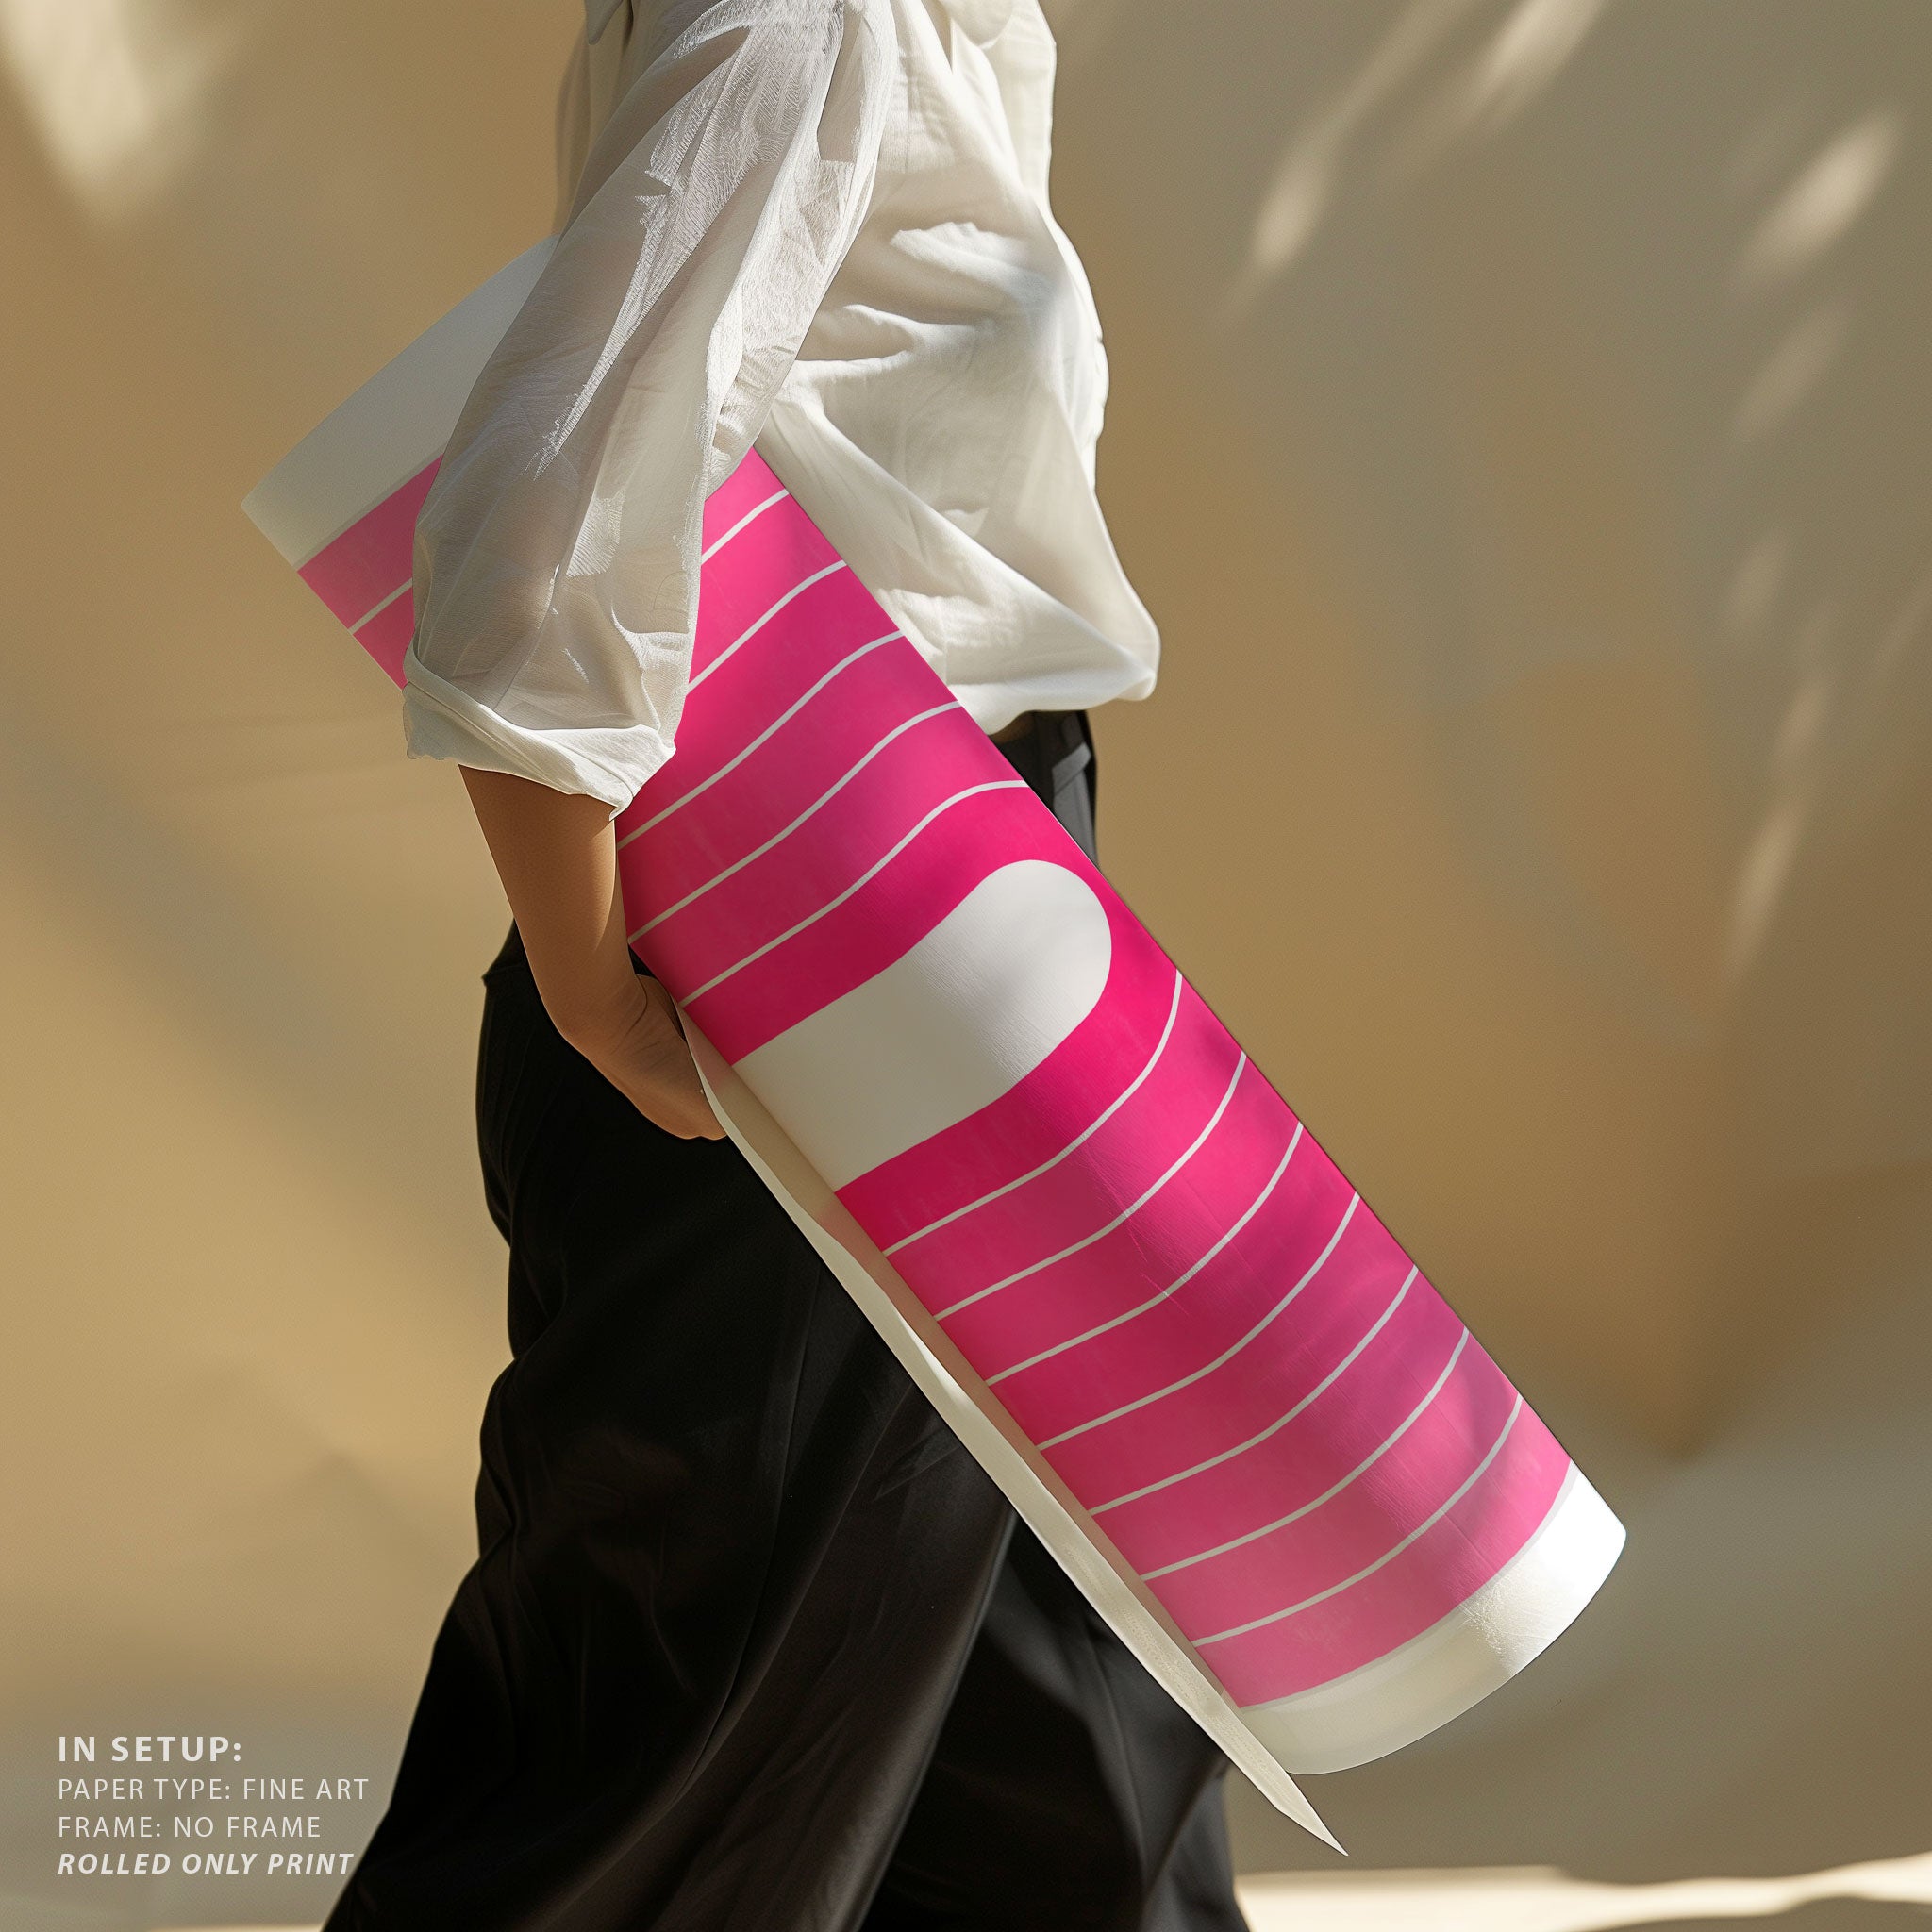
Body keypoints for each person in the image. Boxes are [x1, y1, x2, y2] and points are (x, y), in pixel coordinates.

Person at [323, 3, 1246, 1926]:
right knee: (656, 1754)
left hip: (969, 882)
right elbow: (547, 507)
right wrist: (593, 989)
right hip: (809, 916)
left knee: (1071, 1723)